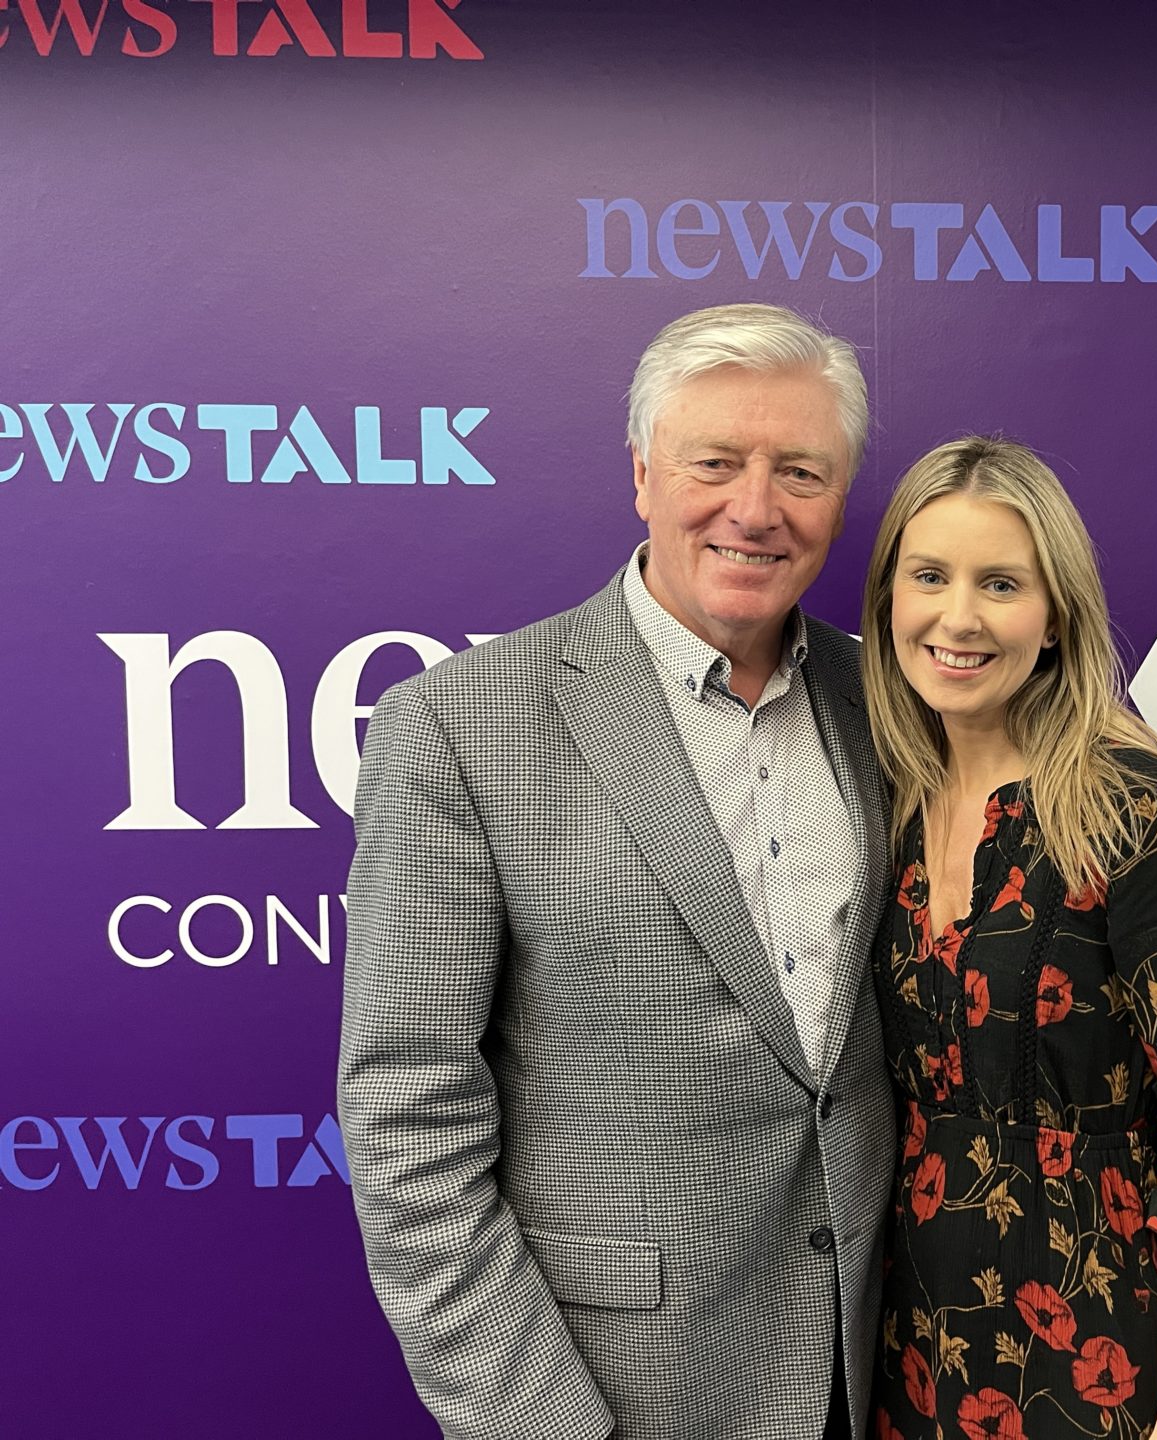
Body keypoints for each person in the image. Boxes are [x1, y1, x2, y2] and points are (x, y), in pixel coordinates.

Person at [338, 303, 895, 1440]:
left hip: (879, 1363)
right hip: (616, 1387)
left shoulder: (889, 703)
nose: (756, 507)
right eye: (716, 463)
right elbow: (406, 1112)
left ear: (840, 499)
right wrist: (533, 1423)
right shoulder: (458, 725)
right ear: (644, 475)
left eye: (801, 470)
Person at [858, 437, 1157, 1440]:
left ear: (1055, 614)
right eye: (930, 576)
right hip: (906, 1341)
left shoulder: (1141, 811)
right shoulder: (881, 798)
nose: (958, 617)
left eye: (1000, 583)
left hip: (1089, 1344)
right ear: (891, 598)